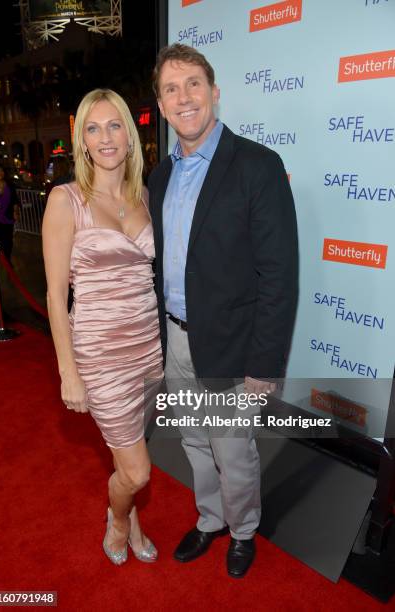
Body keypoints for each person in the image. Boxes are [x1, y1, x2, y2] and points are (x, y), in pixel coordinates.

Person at [149, 44, 298, 578]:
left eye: (193, 84)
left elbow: (279, 277)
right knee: (192, 441)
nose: (183, 97)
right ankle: (209, 520)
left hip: (234, 347)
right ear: (162, 106)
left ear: (214, 92)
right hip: (176, 341)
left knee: (233, 452)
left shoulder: (258, 166)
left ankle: (242, 531)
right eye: (171, 88)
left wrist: (265, 363)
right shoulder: (159, 177)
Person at [42, 88, 163, 566]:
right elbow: (55, 296)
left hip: (148, 351)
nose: (105, 137)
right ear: (82, 142)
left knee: (125, 450)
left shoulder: (144, 196)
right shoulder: (64, 200)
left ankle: (131, 517)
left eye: (115, 126)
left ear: (130, 138)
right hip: (100, 356)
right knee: (138, 473)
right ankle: (117, 521)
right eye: (93, 128)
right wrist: (68, 371)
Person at [0, 164, 19, 261]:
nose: (0, 173)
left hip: (9, 218)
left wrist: (15, 211)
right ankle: (4, 259)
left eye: (1, 171)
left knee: (9, 241)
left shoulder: (10, 185)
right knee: (0, 241)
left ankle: (7, 259)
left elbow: (15, 200)